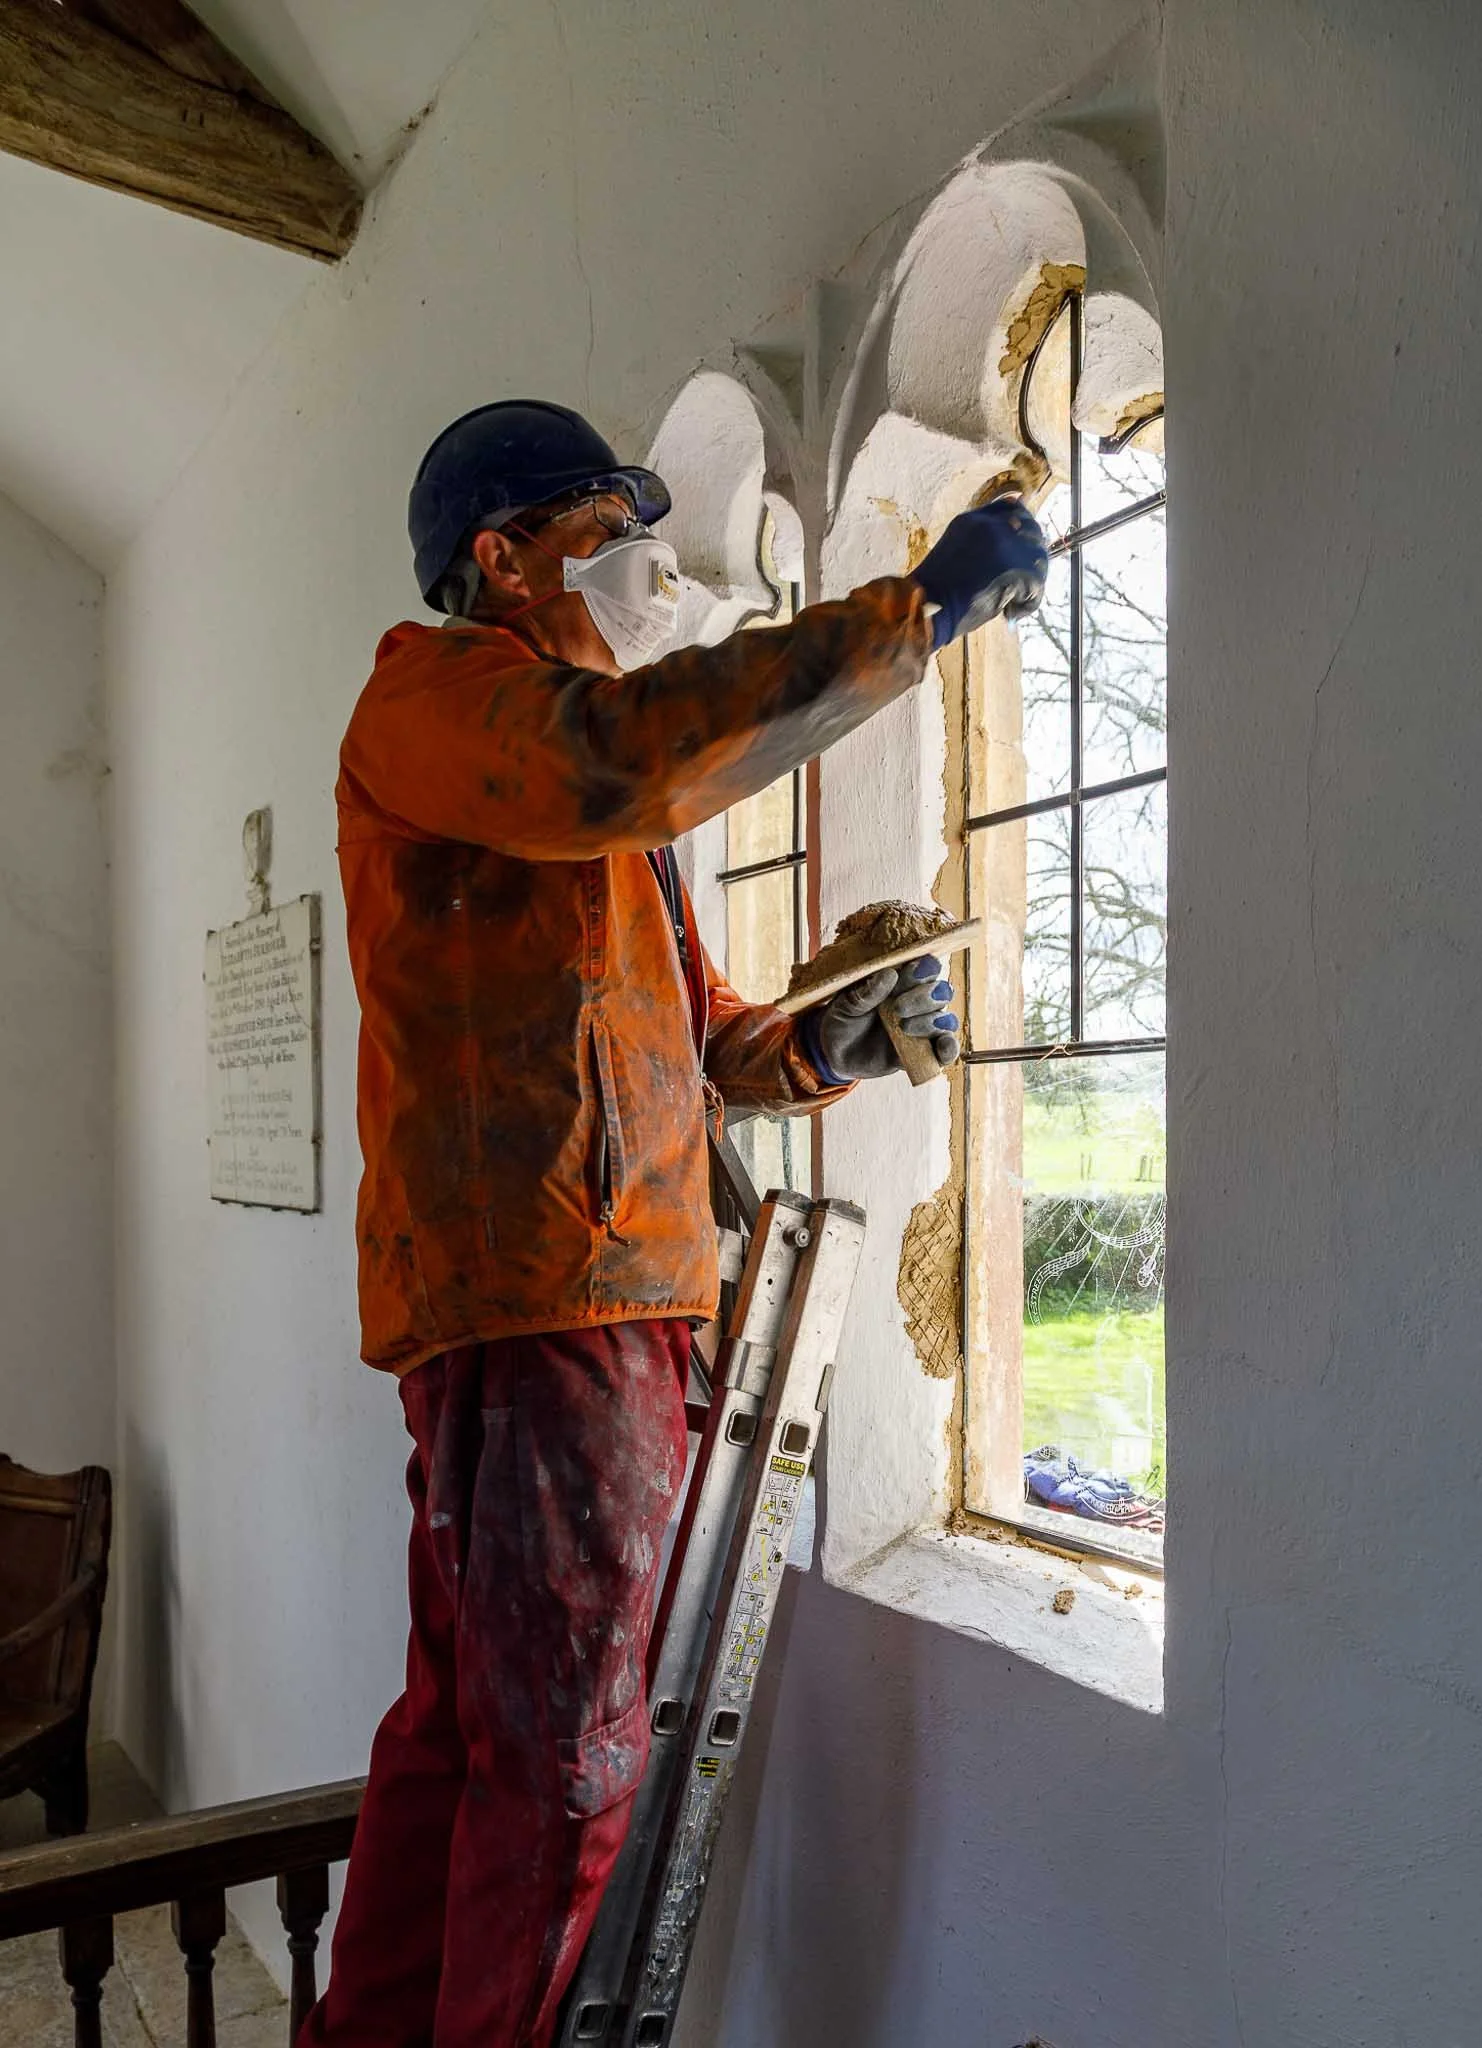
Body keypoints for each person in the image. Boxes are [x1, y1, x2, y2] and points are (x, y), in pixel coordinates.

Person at [300, 400, 1047, 2046]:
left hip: (570, 1280)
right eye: (601, 531)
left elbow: (685, 1036)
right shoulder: (442, 701)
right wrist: (910, 615)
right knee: (566, 1762)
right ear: (498, 558)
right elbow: (621, 758)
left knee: (469, 1733)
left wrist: (818, 1042)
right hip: (543, 1291)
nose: (637, 566)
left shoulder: (583, 816)